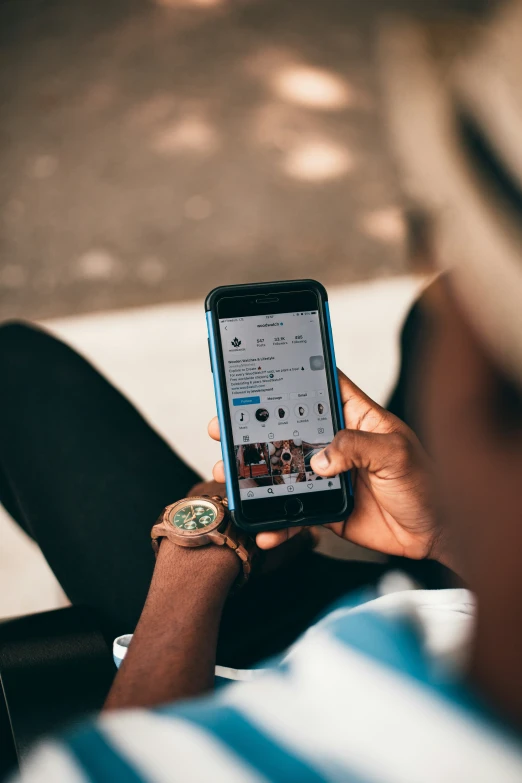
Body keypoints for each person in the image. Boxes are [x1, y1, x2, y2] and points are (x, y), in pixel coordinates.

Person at [6, 0, 522, 779]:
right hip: (446, 573)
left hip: (234, 634)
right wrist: (445, 533)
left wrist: (194, 550)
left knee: (14, 370)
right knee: (424, 323)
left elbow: (140, 758)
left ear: (479, 375)